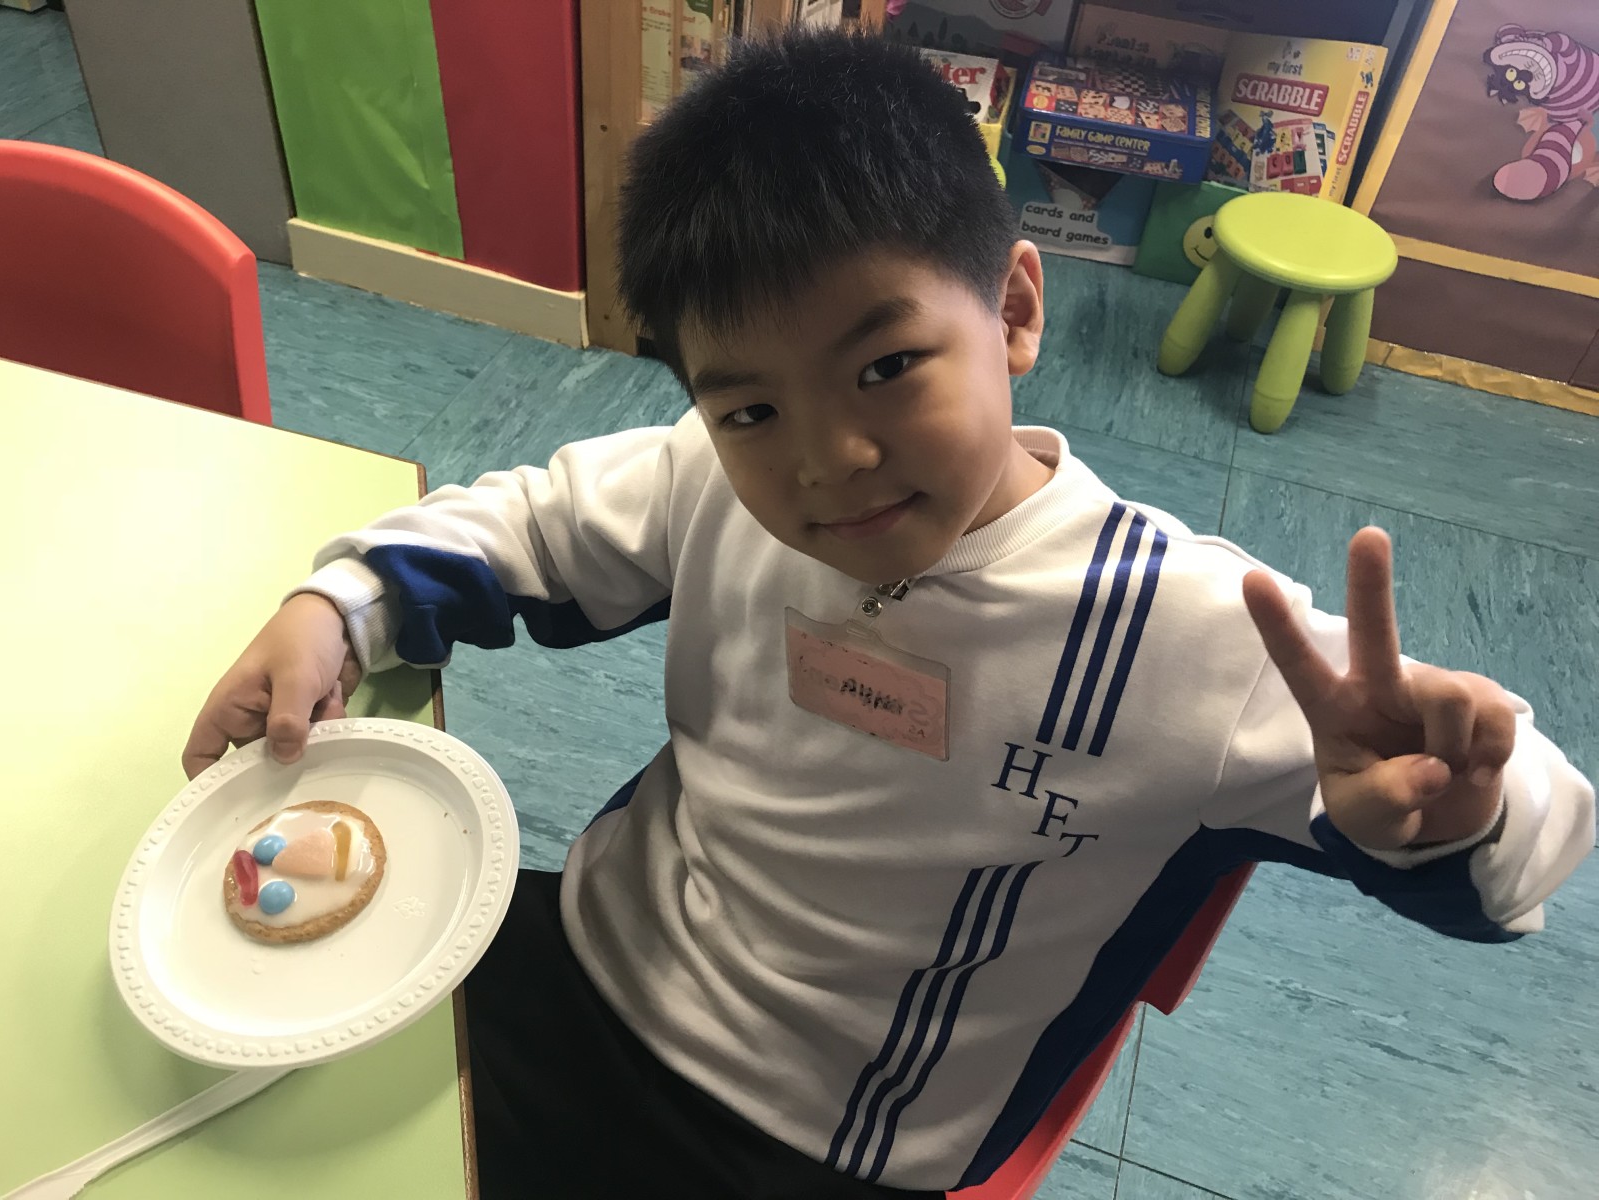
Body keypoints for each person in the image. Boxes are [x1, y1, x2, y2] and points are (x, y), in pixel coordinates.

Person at [183, 28, 1594, 1200]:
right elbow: (532, 524)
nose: (827, 461)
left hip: (810, 1135)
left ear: (1016, 310)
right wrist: (340, 603)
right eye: (750, 405)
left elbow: (1520, 853)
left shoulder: (1189, 632)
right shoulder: (711, 473)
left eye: (886, 367)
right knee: (238, 1100)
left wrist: (1455, 810)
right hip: (590, 951)